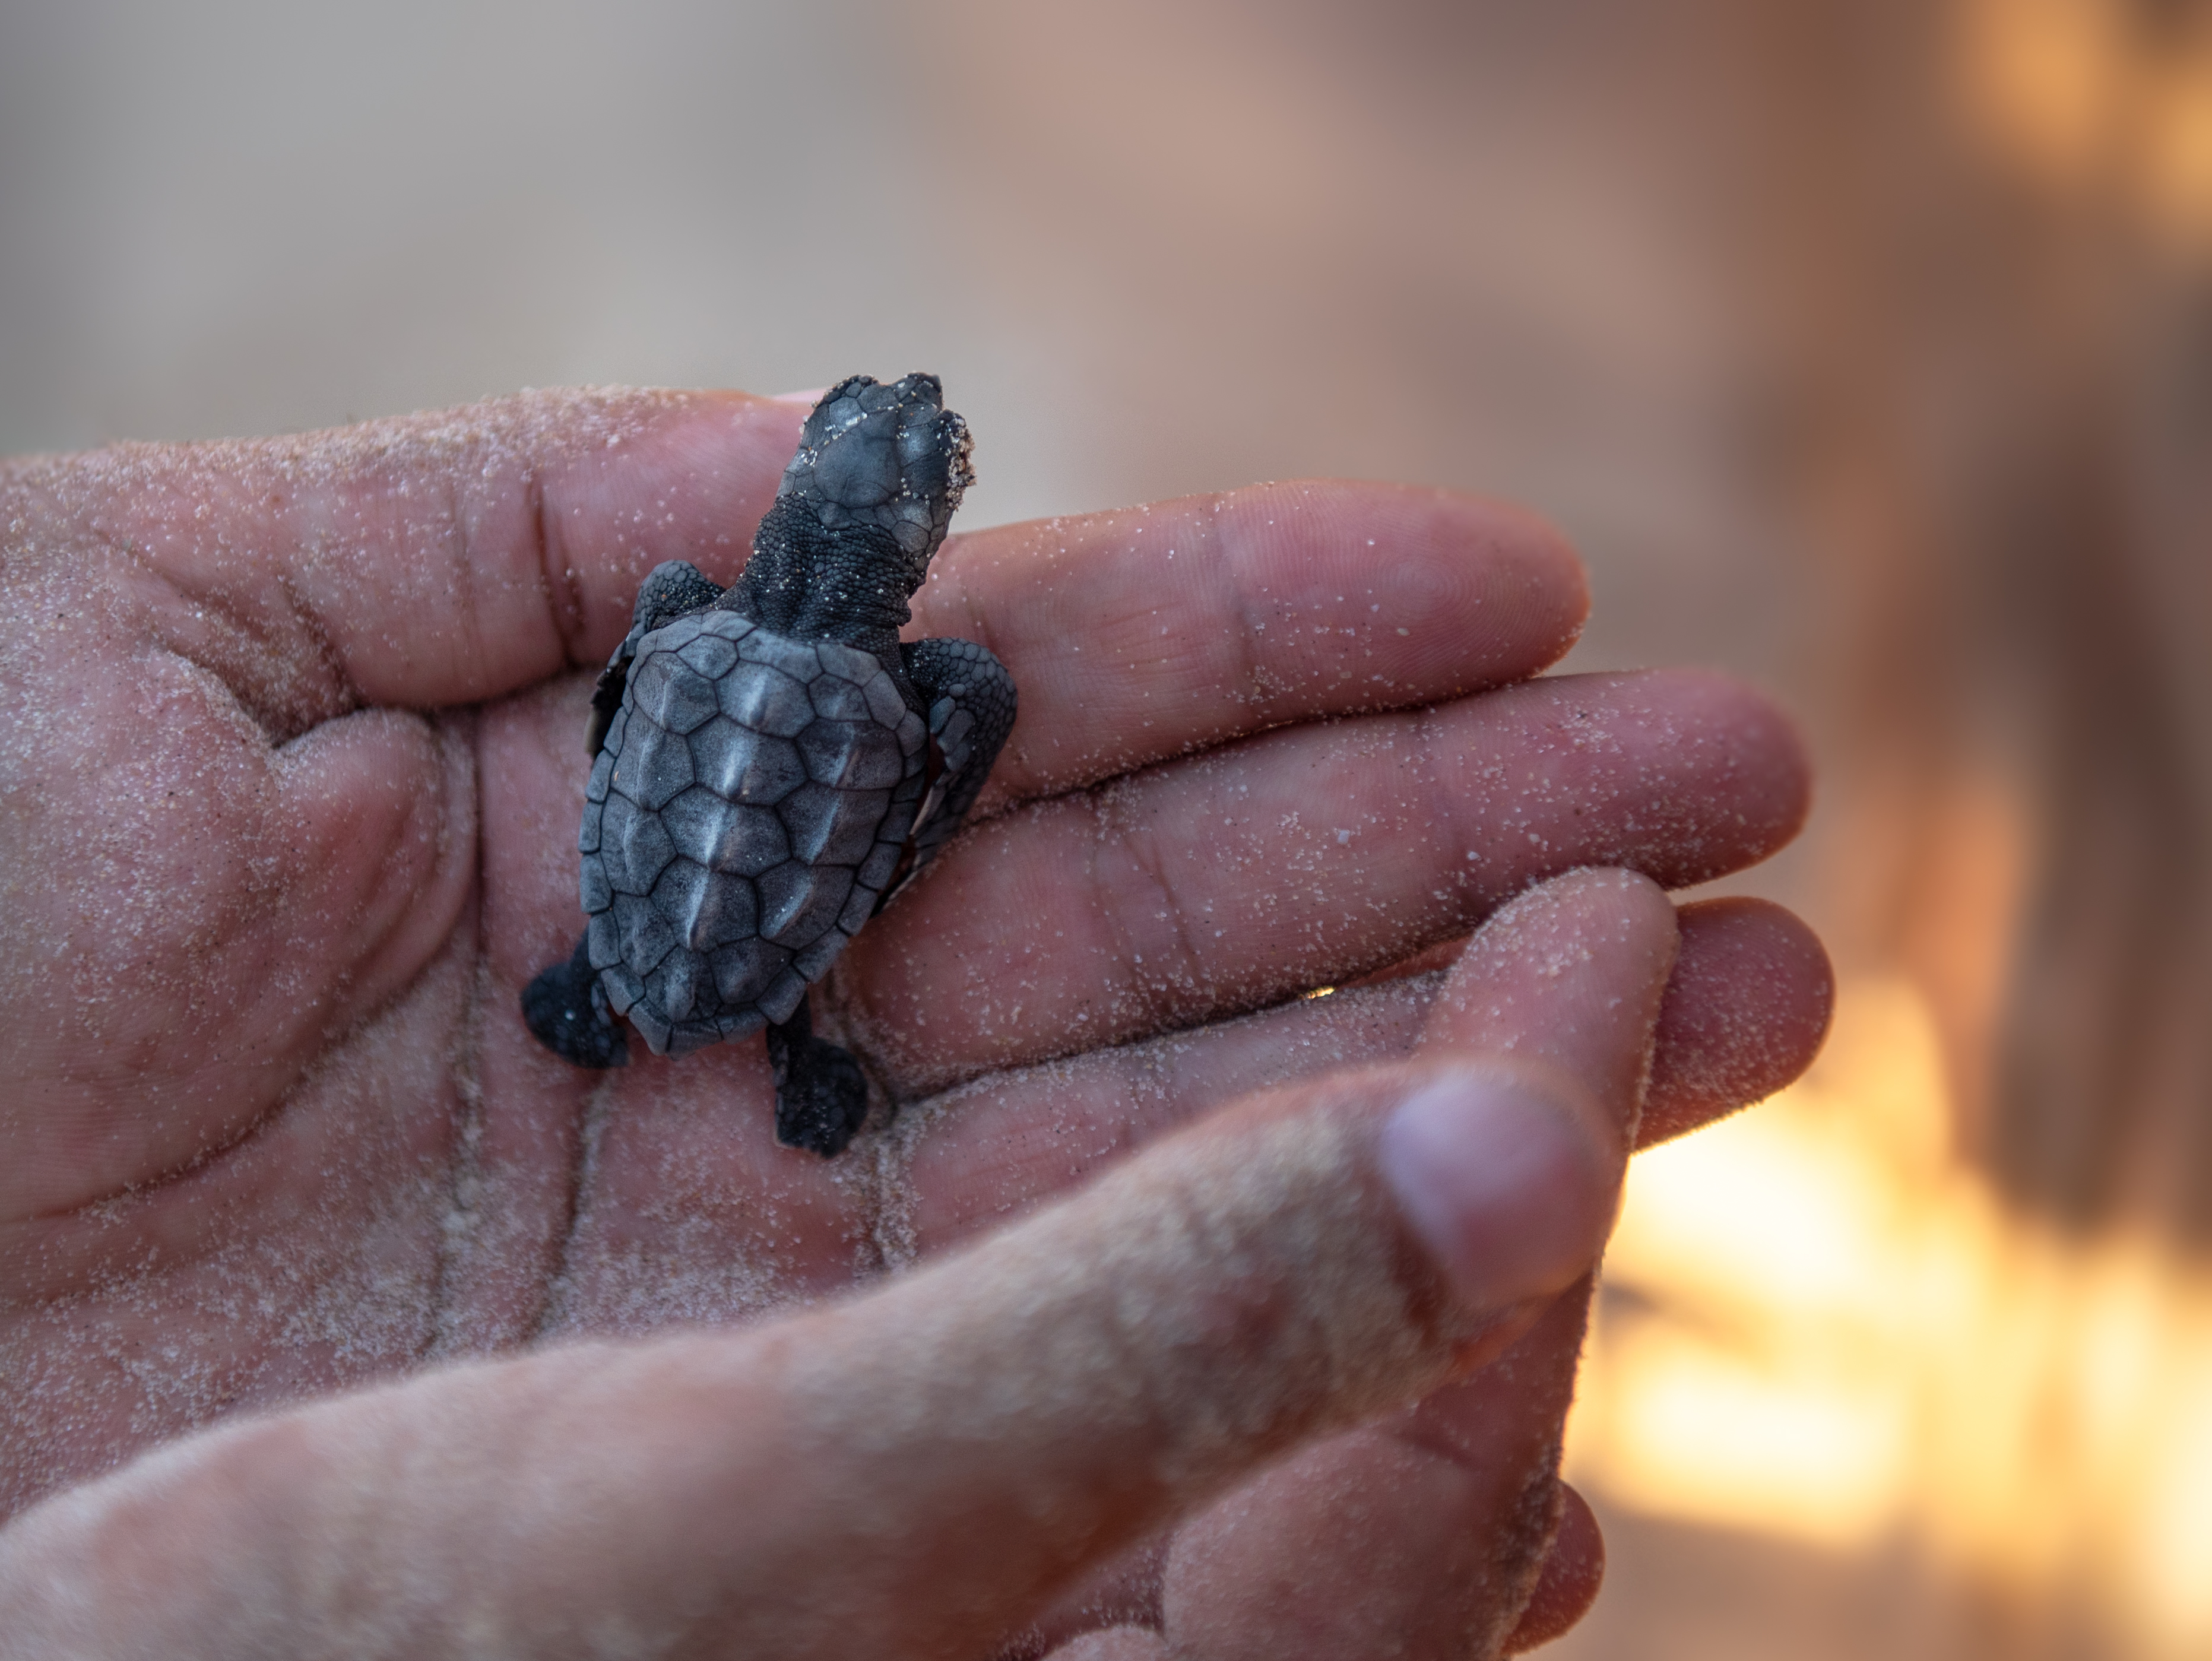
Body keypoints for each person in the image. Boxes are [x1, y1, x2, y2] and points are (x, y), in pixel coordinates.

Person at [0, 388, 1828, 1658]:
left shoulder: (676, 618)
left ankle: (632, 1001)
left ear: (806, 491)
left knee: (687, 841)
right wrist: (901, 831)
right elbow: (946, 741)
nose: (922, 453)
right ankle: (775, 1029)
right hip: (792, 915)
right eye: (925, 460)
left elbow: (638, 696)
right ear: (907, 534)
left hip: (633, 919)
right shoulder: (924, 683)